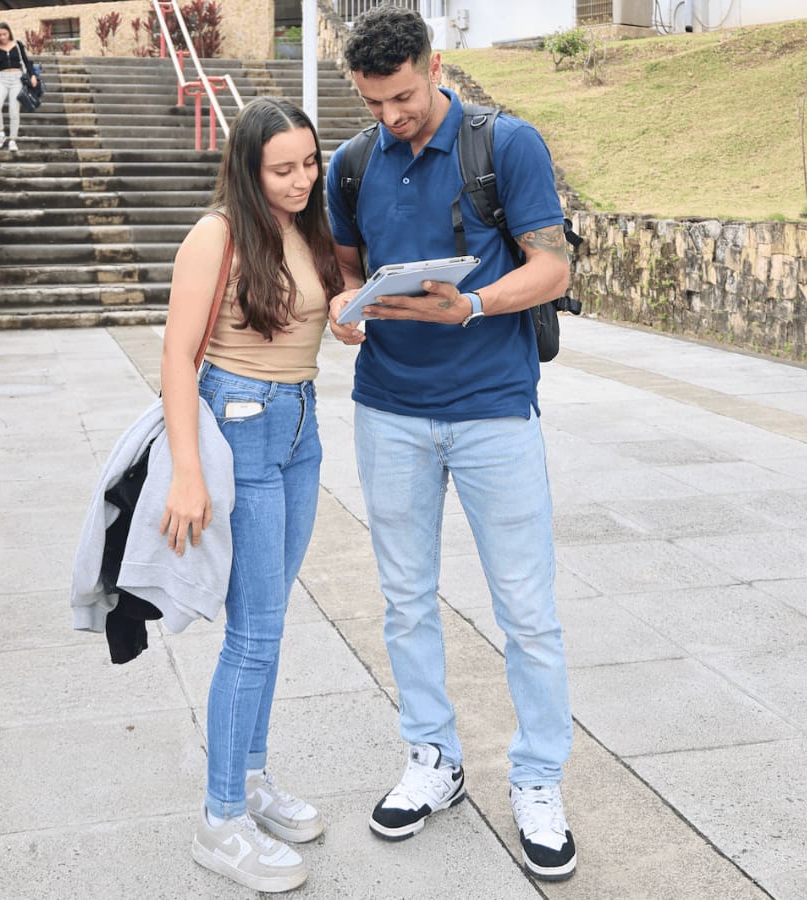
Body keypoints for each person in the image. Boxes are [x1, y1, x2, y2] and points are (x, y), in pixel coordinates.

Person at [325, 6, 577, 883]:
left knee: (526, 610)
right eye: (373, 103)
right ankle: (433, 757)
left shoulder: (505, 145)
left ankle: (539, 779)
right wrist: (345, 306)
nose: (390, 118)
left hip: (494, 407)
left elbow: (553, 265)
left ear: (434, 65)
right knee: (404, 599)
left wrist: (469, 305)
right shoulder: (352, 162)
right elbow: (348, 266)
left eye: (401, 97)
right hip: (389, 408)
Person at [161, 96, 344, 893]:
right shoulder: (217, 234)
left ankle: (254, 779)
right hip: (243, 425)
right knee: (254, 633)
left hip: (300, 426)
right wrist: (188, 472)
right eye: (283, 169)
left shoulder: (304, 227)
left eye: (309, 163)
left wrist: (344, 312)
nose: (302, 179)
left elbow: (307, 310)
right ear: (247, 168)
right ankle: (221, 819)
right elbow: (174, 357)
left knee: (270, 623)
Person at [0, 22, 37, 151]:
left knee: (14, 110)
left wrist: (32, 75)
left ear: (9, 32)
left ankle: (13, 140)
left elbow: (26, 61)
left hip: (17, 79)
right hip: (1, 79)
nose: (2, 37)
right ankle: (1, 133)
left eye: (4, 34)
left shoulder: (17, 45)